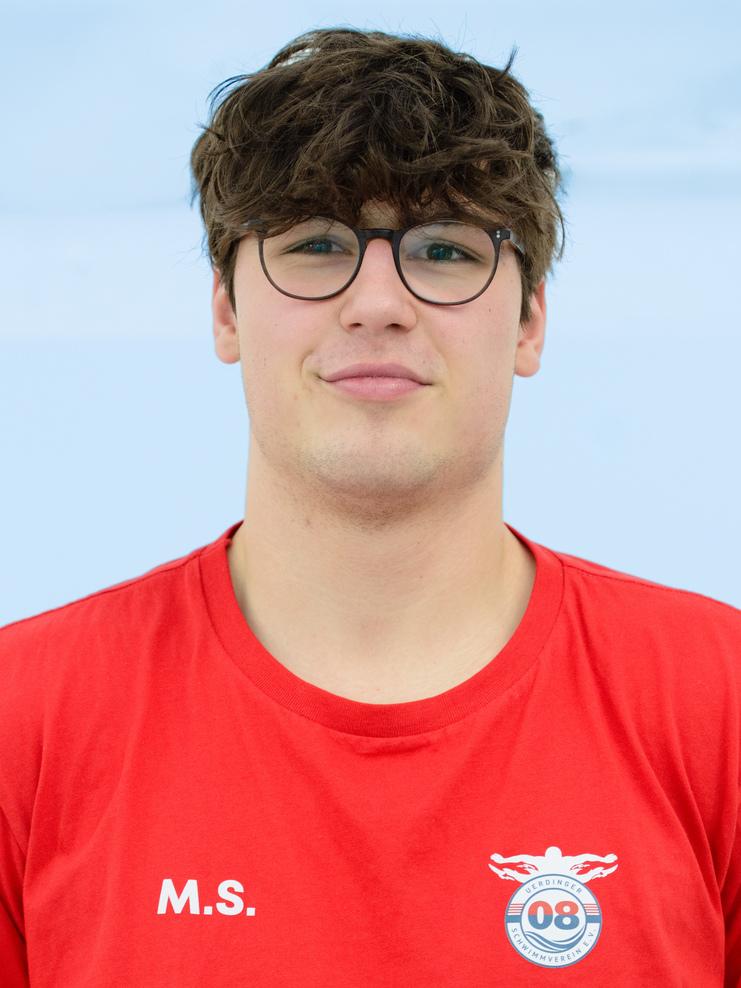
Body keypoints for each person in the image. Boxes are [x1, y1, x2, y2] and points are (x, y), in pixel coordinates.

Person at [1, 25, 739, 986]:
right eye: (316, 244)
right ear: (225, 309)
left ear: (529, 320)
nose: (377, 302)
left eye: (443, 250)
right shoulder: (26, 720)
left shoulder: (718, 705)